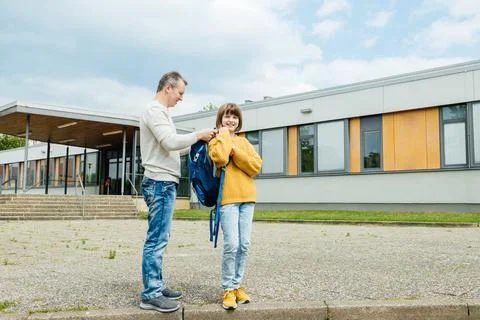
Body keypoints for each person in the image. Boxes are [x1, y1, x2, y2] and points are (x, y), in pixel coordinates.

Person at [139, 71, 216, 313]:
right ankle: (150, 294)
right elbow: (170, 142)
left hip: (164, 182)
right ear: (168, 88)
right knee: (156, 240)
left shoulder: (163, 114)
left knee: (161, 237)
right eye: (180, 93)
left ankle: (157, 286)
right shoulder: (154, 111)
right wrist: (197, 135)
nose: (181, 98)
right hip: (159, 182)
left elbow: (172, 149)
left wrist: (198, 141)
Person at [207, 103, 262, 310]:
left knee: (244, 244)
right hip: (228, 200)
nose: (231, 120)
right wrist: (223, 136)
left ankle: (237, 284)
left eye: (235, 117)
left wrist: (235, 151)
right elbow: (220, 158)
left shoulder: (244, 142)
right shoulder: (216, 140)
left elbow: (255, 166)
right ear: (220, 120)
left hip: (247, 198)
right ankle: (228, 289)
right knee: (232, 245)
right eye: (227, 117)